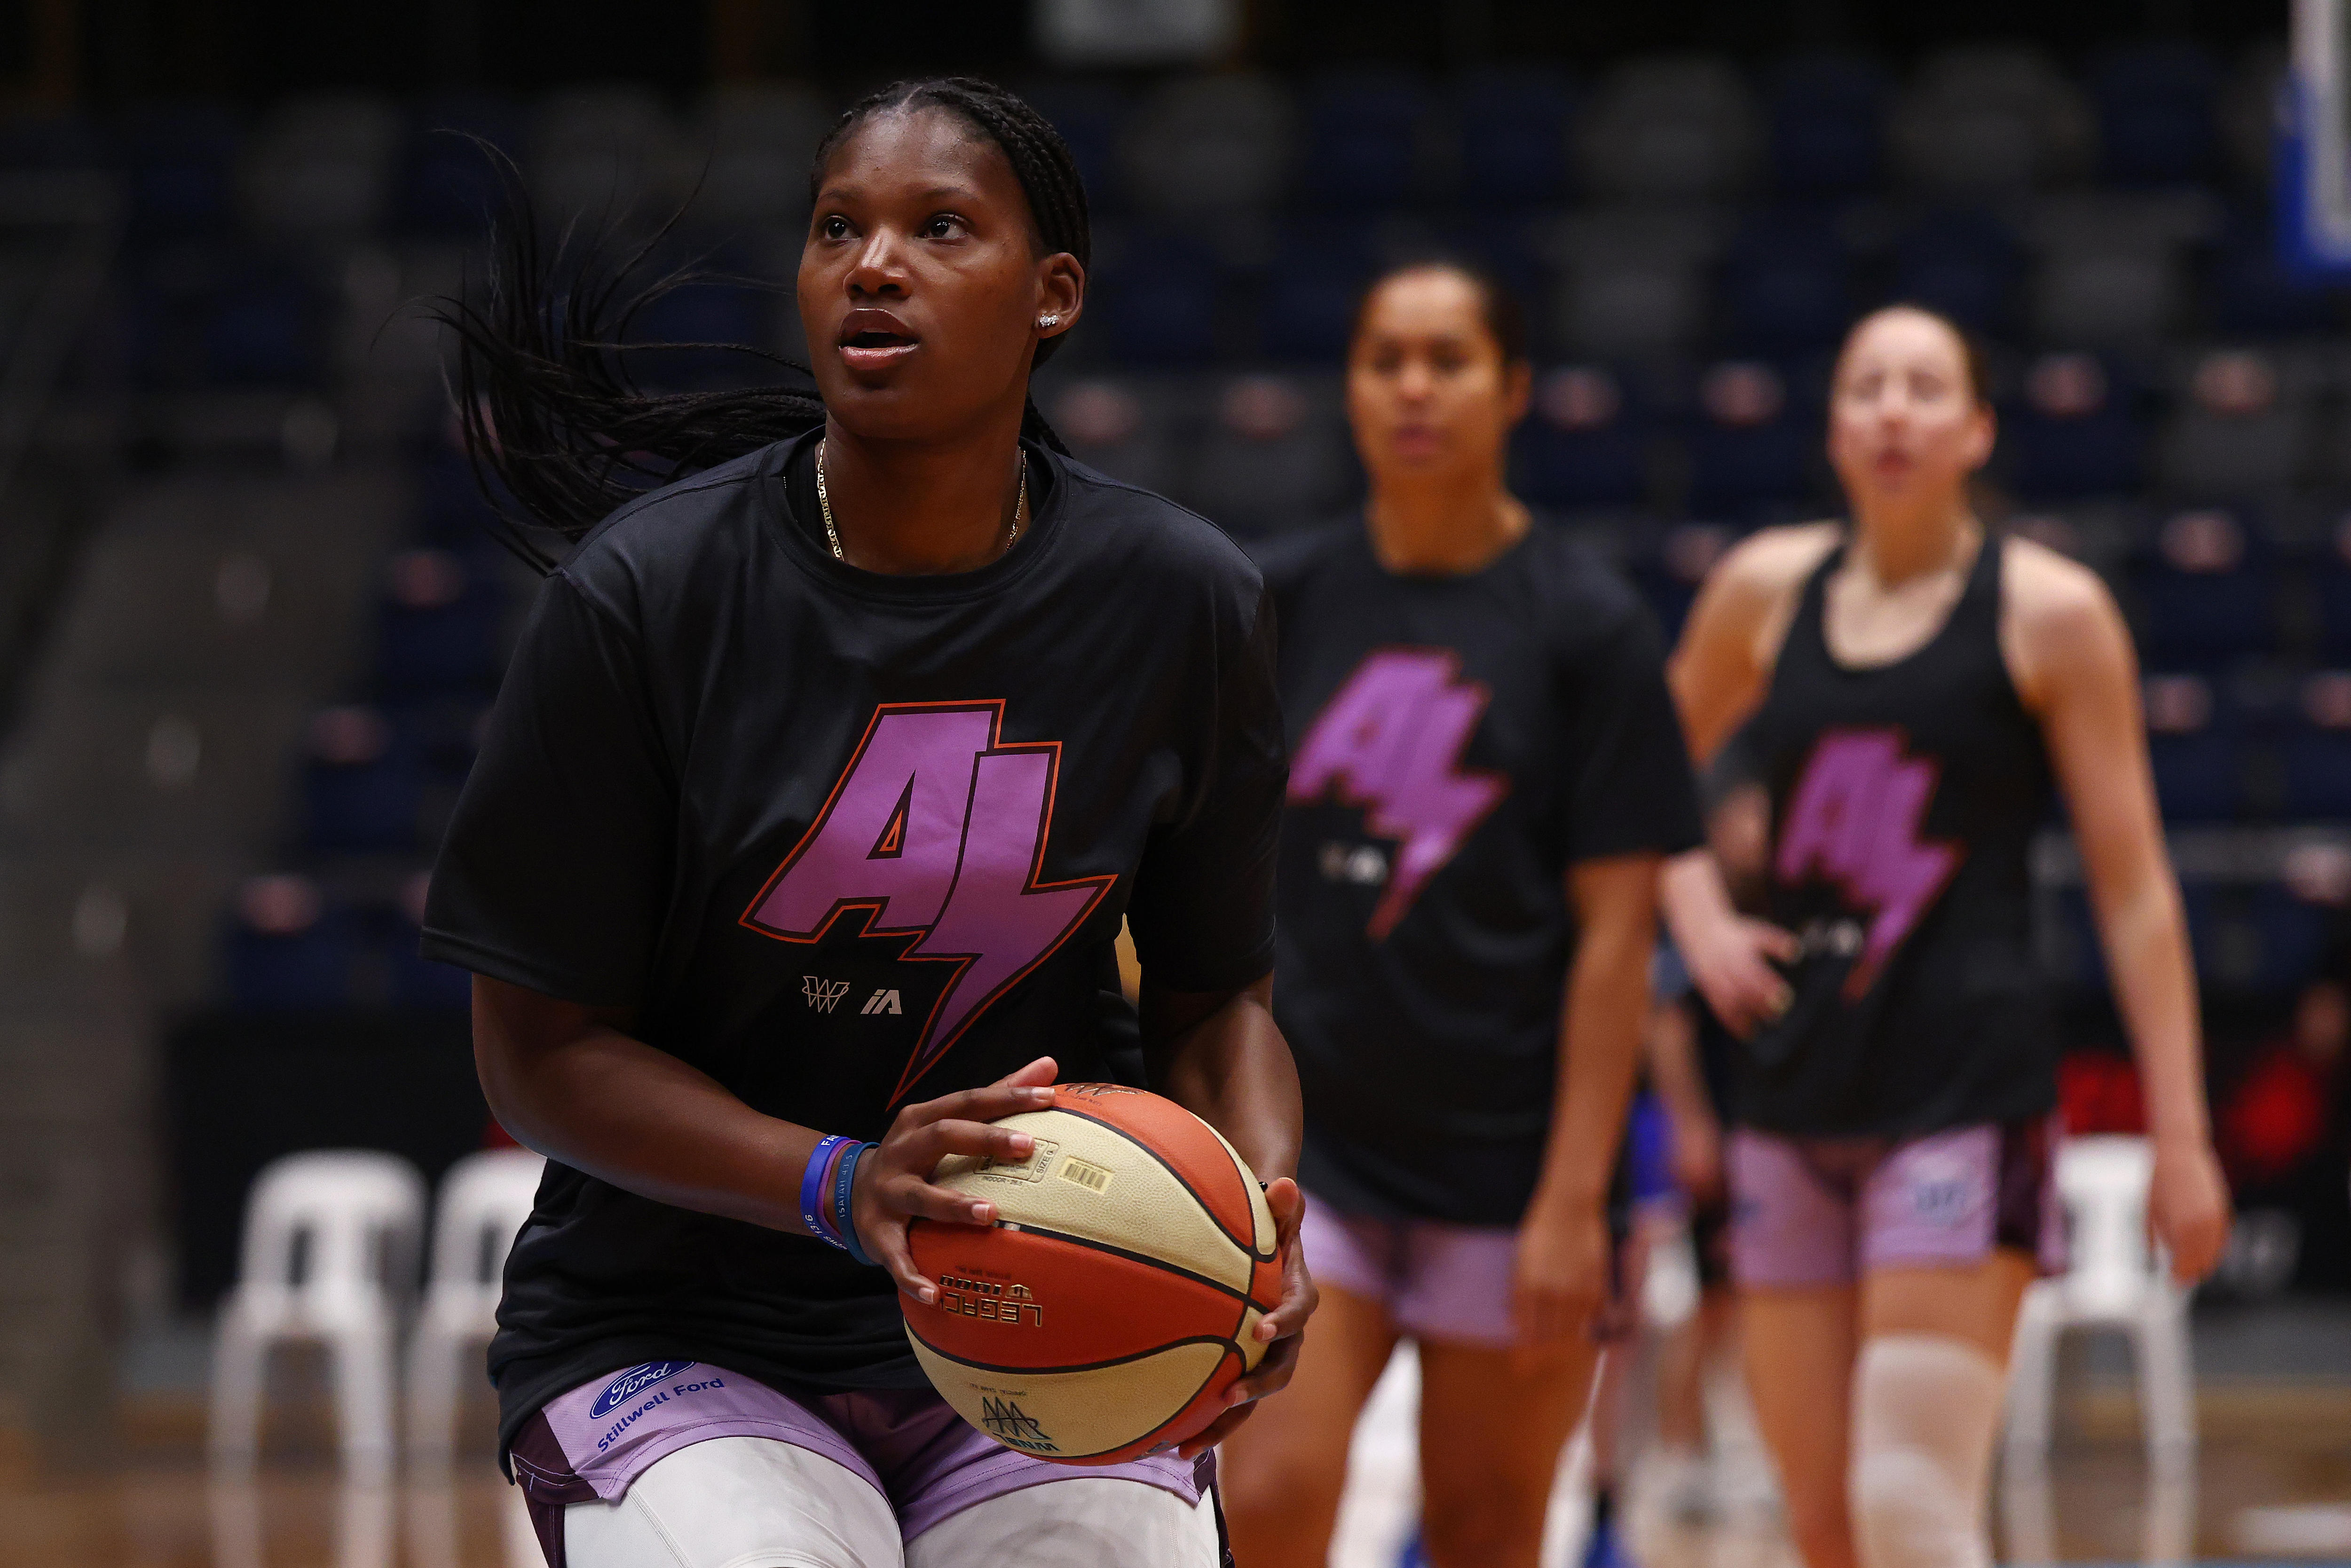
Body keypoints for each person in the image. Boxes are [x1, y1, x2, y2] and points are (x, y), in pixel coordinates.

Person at [420, 78, 1314, 1568]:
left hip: (1042, 1312)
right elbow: (537, 1052)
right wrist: (838, 1183)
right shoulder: (646, 598)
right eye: (839, 228)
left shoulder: (1181, 602)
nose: (875, 265)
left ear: (1053, 295)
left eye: (939, 228)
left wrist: (1253, 1230)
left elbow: (1218, 1000)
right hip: (677, 1326)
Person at [1661, 304, 2232, 1568]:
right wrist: (1698, 919)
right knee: (1824, 1530)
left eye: (1924, 388)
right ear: (1833, 428)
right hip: (1792, 1091)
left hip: (1964, 1094)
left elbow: (2135, 890)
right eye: (1867, 386)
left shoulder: (2053, 612)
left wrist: (2184, 1134)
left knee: (1911, 1511)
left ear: (1976, 429)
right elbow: (1636, 773)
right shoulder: (1763, 592)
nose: (1893, 411)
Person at [1217, 260, 1703, 1568]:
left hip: (1512, 1171)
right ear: (1352, 388)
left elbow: (1619, 940)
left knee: (1488, 1531)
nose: (1415, 389)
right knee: (1269, 1498)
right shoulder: (1279, 603)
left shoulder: (1589, 629)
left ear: (1514, 388)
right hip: (1315, 1160)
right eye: (1386, 360)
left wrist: (1575, 1200)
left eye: (1449, 360)